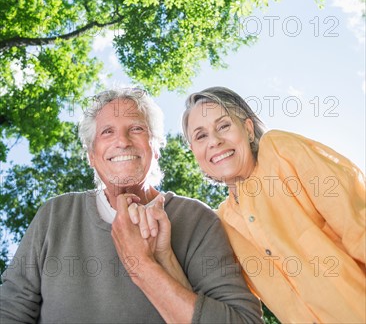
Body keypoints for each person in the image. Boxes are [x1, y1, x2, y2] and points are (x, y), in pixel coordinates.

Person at [0, 87, 263, 324]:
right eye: (107, 132)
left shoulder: (197, 219)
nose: (122, 141)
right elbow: (11, 310)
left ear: (156, 147)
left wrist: (143, 265)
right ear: (92, 156)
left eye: (136, 129)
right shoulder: (55, 215)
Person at [182, 86, 366, 324]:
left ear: (248, 129)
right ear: (195, 152)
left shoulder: (279, 153)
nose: (215, 141)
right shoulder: (221, 225)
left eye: (224, 126)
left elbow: (358, 225)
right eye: (201, 136)